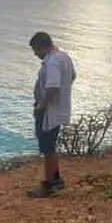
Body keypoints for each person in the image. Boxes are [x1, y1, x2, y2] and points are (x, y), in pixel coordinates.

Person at [28, 32, 76, 198]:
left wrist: (42, 105)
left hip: (49, 111)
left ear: (41, 47)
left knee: (47, 148)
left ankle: (48, 184)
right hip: (58, 109)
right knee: (51, 146)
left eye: (35, 50)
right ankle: (55, 180)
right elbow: (72, 76)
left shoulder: (53, 62)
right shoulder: (63, 57)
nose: (35, 54)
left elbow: (53, 87)